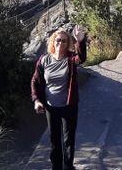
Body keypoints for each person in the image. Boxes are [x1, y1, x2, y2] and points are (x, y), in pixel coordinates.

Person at [32, 25, 88, 170]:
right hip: (51, 107)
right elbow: (35, 81)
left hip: (69, 106)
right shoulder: (44, 60)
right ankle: (56, 167)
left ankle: (68, 166)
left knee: (68, 140)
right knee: (54, 140)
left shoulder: (70, 59)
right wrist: (37, 100)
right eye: (58, 40)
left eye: (64, 41)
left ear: (67, 43)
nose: (60, 43)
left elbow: (81, 58)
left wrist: (80, 42)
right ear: (53, 41)